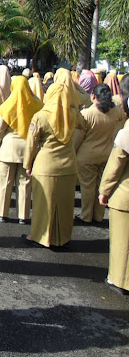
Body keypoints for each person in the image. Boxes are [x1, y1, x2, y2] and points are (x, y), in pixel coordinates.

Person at [23, 68, 86, 248]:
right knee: (65, 206)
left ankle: (40, 237)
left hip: (46, 166)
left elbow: (31, 143)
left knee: (44, 205)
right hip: (69, 165)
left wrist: (28, 164)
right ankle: (63, 237)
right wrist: (74, 103)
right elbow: (84, 125)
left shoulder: (40, 116)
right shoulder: (72, 114)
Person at [0, 76, 43, 223]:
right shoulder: (38, 105)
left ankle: (2, 213)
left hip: (8, 149)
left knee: (4, 183)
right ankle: (24, 216)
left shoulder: (7, 106)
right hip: (28, 149)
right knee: (25, 184)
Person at [73, 83, 124, 223]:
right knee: (101, 186)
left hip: (87, 156)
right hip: (107, 155)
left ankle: (86, 215)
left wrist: (73, 152)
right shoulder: (117, 113)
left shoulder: (86, 114)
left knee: (87, 187)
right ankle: (98, 215)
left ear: (93, 96)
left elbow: (78, 139)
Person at [98, 116, 129, 295]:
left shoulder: (126, 133)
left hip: (125, 193)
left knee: (121, 240)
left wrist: (104, 190)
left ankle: (119, 279)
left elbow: (115, 166)